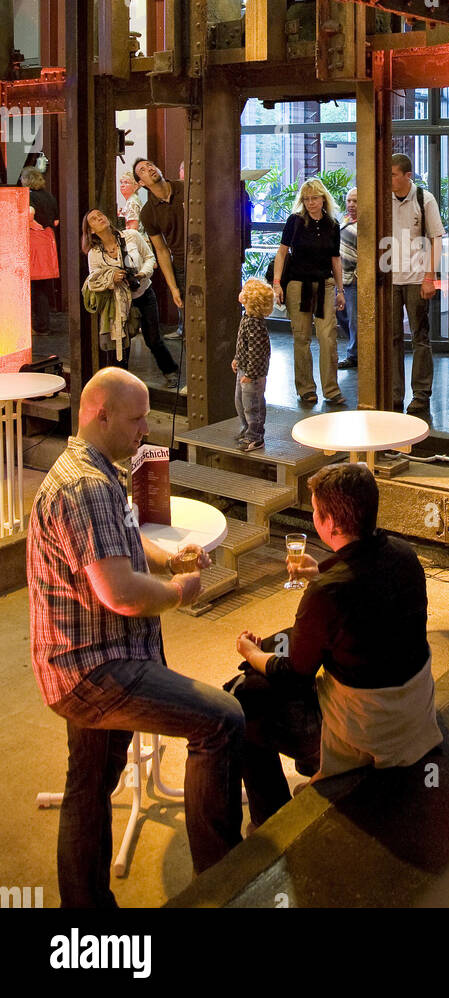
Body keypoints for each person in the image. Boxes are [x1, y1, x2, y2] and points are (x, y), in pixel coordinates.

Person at [26, 369, 244, 908]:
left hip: (77, 660)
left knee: (90, 782)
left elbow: (116, 544)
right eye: (137, 418)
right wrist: (180, 591)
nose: (146, 429)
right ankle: (223, 886)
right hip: (94, 669)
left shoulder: (95, 469)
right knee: (222, 720)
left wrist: (169, 558)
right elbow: (120, 593)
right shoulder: (88, 485)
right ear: (101, 413)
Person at [230, 463, 442, 826]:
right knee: (277, 644)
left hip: (370, 729)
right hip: (415, 714)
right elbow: (368, 593)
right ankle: (312, 772)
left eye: (315, 510)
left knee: (241, 701)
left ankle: (274, 817)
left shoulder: (326, 593)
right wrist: (324, 570)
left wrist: (252, 653)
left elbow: (296, 674)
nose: (313, 516)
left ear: (330, 523)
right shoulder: (403, 554)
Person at [272, 178, 346, 407]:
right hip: (297, 283)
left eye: (314, 198)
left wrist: (341, 289)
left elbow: (336, 260)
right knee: (301, 337)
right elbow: (282, 253)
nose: (311, 203)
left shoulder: (332, 224)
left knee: (327, 337)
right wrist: (277, 283)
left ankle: (331, 390)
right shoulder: (295, 221)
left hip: (324, 284)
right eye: (306, 199)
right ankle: (306, 389)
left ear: (323, 198)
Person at [82, 208, 179, 383]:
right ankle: (121, 383)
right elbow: (93, 279)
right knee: (120, 341)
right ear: (91, 230)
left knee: (153, 338)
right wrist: (112, 277)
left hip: (143, 292)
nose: (99, 219)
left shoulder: (131, 236)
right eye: (94, 219)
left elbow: (150, 257)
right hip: (117, 300)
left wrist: (142, 274)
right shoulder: (94, 253)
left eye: (100, 215)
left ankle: (170, 372)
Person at [391, 154, 445, 416]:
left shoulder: (425, 199)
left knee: (420, 337)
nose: (388, 179)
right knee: (391, 339)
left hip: (416, 278)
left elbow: (436, 239)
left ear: (407, 175)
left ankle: (421, 394)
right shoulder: (383, 199)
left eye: (392, 174)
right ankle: (393, 394)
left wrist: (429, 278)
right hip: (389, 278)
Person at [132, 159, 185, 337]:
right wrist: (173, 288)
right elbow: (161, 251)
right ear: (141, 183)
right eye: (142, 170)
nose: (149, 169)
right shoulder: (148, 212)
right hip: (182, 266)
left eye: (150, 165)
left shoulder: (185, 188)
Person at [233, 277, 273, 451]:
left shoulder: (255, 324)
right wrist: (237, 359)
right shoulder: (247, 318)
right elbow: (243, 345)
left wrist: (250, 374)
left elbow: (256, 353)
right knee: (240, 402)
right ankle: (247, 430)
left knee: (252, 405)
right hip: (244, 368)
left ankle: (255, 436)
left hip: (253, 374)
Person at [22, 166, 60, 334]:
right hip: (48, 241)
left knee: (34, 286)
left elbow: (29, 213)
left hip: (35, 242)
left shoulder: (29, 196)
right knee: (44, 286)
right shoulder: (49, 196)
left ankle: (38, 326)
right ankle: (43, 324)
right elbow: (57, 221)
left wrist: (29, 224)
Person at [337, 186, 358, 370]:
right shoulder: (344, 221)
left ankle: (354, 355)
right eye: (349, 200)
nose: (351, 204)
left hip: (354, 280)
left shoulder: (365, 226)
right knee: (341, 316)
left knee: (354, 319)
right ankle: (355, 348)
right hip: (339, 279)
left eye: (355, 201)